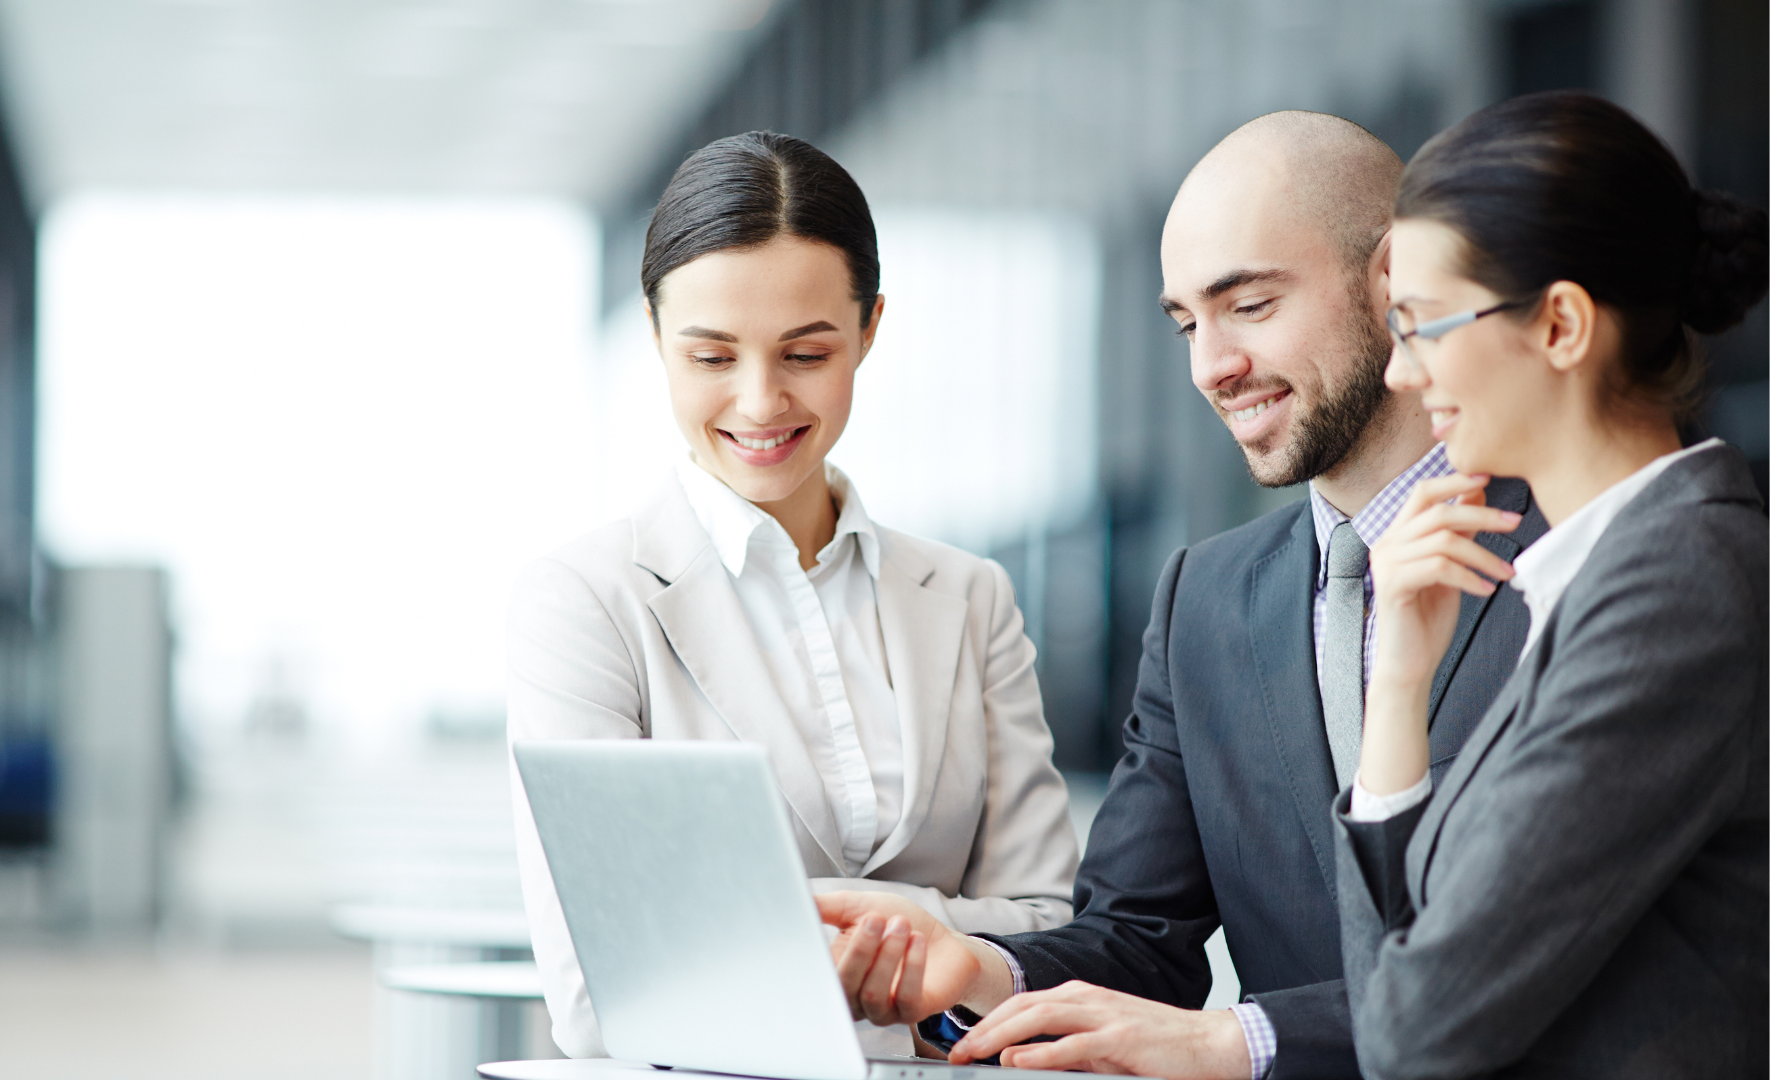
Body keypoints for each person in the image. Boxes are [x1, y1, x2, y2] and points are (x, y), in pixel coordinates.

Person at [814, 111, 1548, 1080]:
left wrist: (1240, 1040)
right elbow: (1135, 943)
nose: (1211, 367)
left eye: (1247, 305)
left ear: (1392, 282)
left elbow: (1543, 966)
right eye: (1185, 323)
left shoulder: (1575, 558)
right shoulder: (1204, 601)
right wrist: (973, 969)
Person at [506, 131, 1080, 1059]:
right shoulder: (585, 603)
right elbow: (597, 989)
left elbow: (1050, 929)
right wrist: (937, 944)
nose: (761, 401)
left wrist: (762, 928)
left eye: (806, 354)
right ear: (654, 337)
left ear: (870, 329)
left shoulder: (972, 599)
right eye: (711, 357)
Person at [1336, 90, 1768, 1078]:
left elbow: (1411, 1031)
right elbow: (1400, 986)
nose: (1403, 373)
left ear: (1563, 325)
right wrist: (1399, 689)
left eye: (1423, 325)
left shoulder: (1677, 593)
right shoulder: (1605, 576)